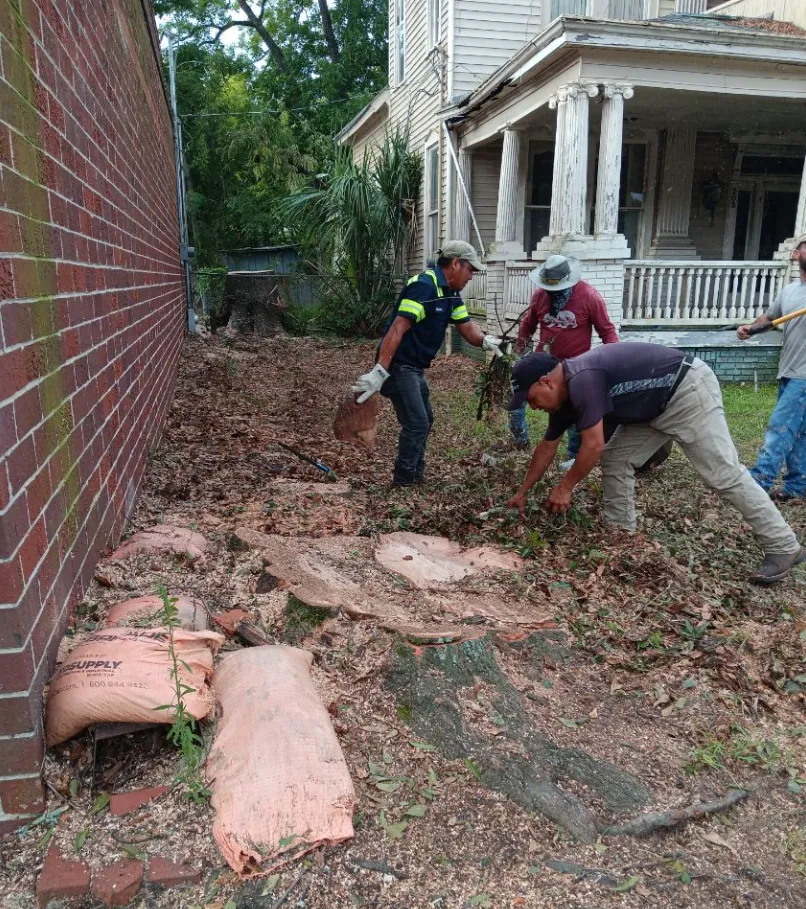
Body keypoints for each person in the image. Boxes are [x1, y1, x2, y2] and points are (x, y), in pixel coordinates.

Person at [505, 342, 804, 584]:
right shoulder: (563, 397)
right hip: (652, 406)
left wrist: (565, 486)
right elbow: (547, 447)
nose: (533, 407)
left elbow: (593, 444)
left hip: (686, 389)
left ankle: (783, 545)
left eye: (531, 399)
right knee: (617, 459)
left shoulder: (583, 378)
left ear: (546, 381)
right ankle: (622, 537)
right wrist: (522, 492)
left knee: (723, 474)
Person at [352, 240, 503, 486]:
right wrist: (380, 371)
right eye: (470, 269)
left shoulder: (450, 292)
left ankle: (415, 475)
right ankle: (403, 482)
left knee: (425, 421)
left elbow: (467, 328)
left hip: (415, 367)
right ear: (455, 263)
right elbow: (398, 328)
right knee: (417, 423)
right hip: (399, 365)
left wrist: (486, 341)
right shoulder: (424, 286)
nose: (471, 276)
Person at [510, 255, 618, 466]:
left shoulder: (589, 297)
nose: (552, 292)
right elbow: (528, 324)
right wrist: (518, 352)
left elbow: (607, 332)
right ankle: (519, 440)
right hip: (544, 363)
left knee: (576, 413)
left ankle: (573, 457)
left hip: (574, 368)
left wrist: (612, 362)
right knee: (518, 395)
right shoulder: (539, 296)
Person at [738, 235, 806, 502]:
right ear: (796, 254)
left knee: (780, 426)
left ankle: (758, 481)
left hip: (804, 376)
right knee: (798, 433)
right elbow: (770, 318)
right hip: (788, 370)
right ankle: (797, 486)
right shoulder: (790, 291)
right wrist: (751, 329)